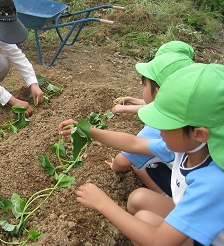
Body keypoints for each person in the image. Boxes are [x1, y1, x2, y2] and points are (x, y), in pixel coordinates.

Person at [69, 63, 224, 245]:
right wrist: (89, 131)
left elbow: (158, 241)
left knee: (145, 227)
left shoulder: (213, 182)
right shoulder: (191, 147)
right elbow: (133, 143)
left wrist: (102, 202)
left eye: (166, 125)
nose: (159, 131)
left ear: (199, 133)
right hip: (201, 224)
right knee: (138, 200)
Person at [107, 41, 195, 196]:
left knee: (138, 165)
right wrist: (130, 104)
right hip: (190, 173)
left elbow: (124, 159)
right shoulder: (189, 107)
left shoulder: (163, 130)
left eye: (144, 84)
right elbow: (154, 104)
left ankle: (166, 198)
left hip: (185, 190)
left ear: (159, 90)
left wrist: (114, 165)